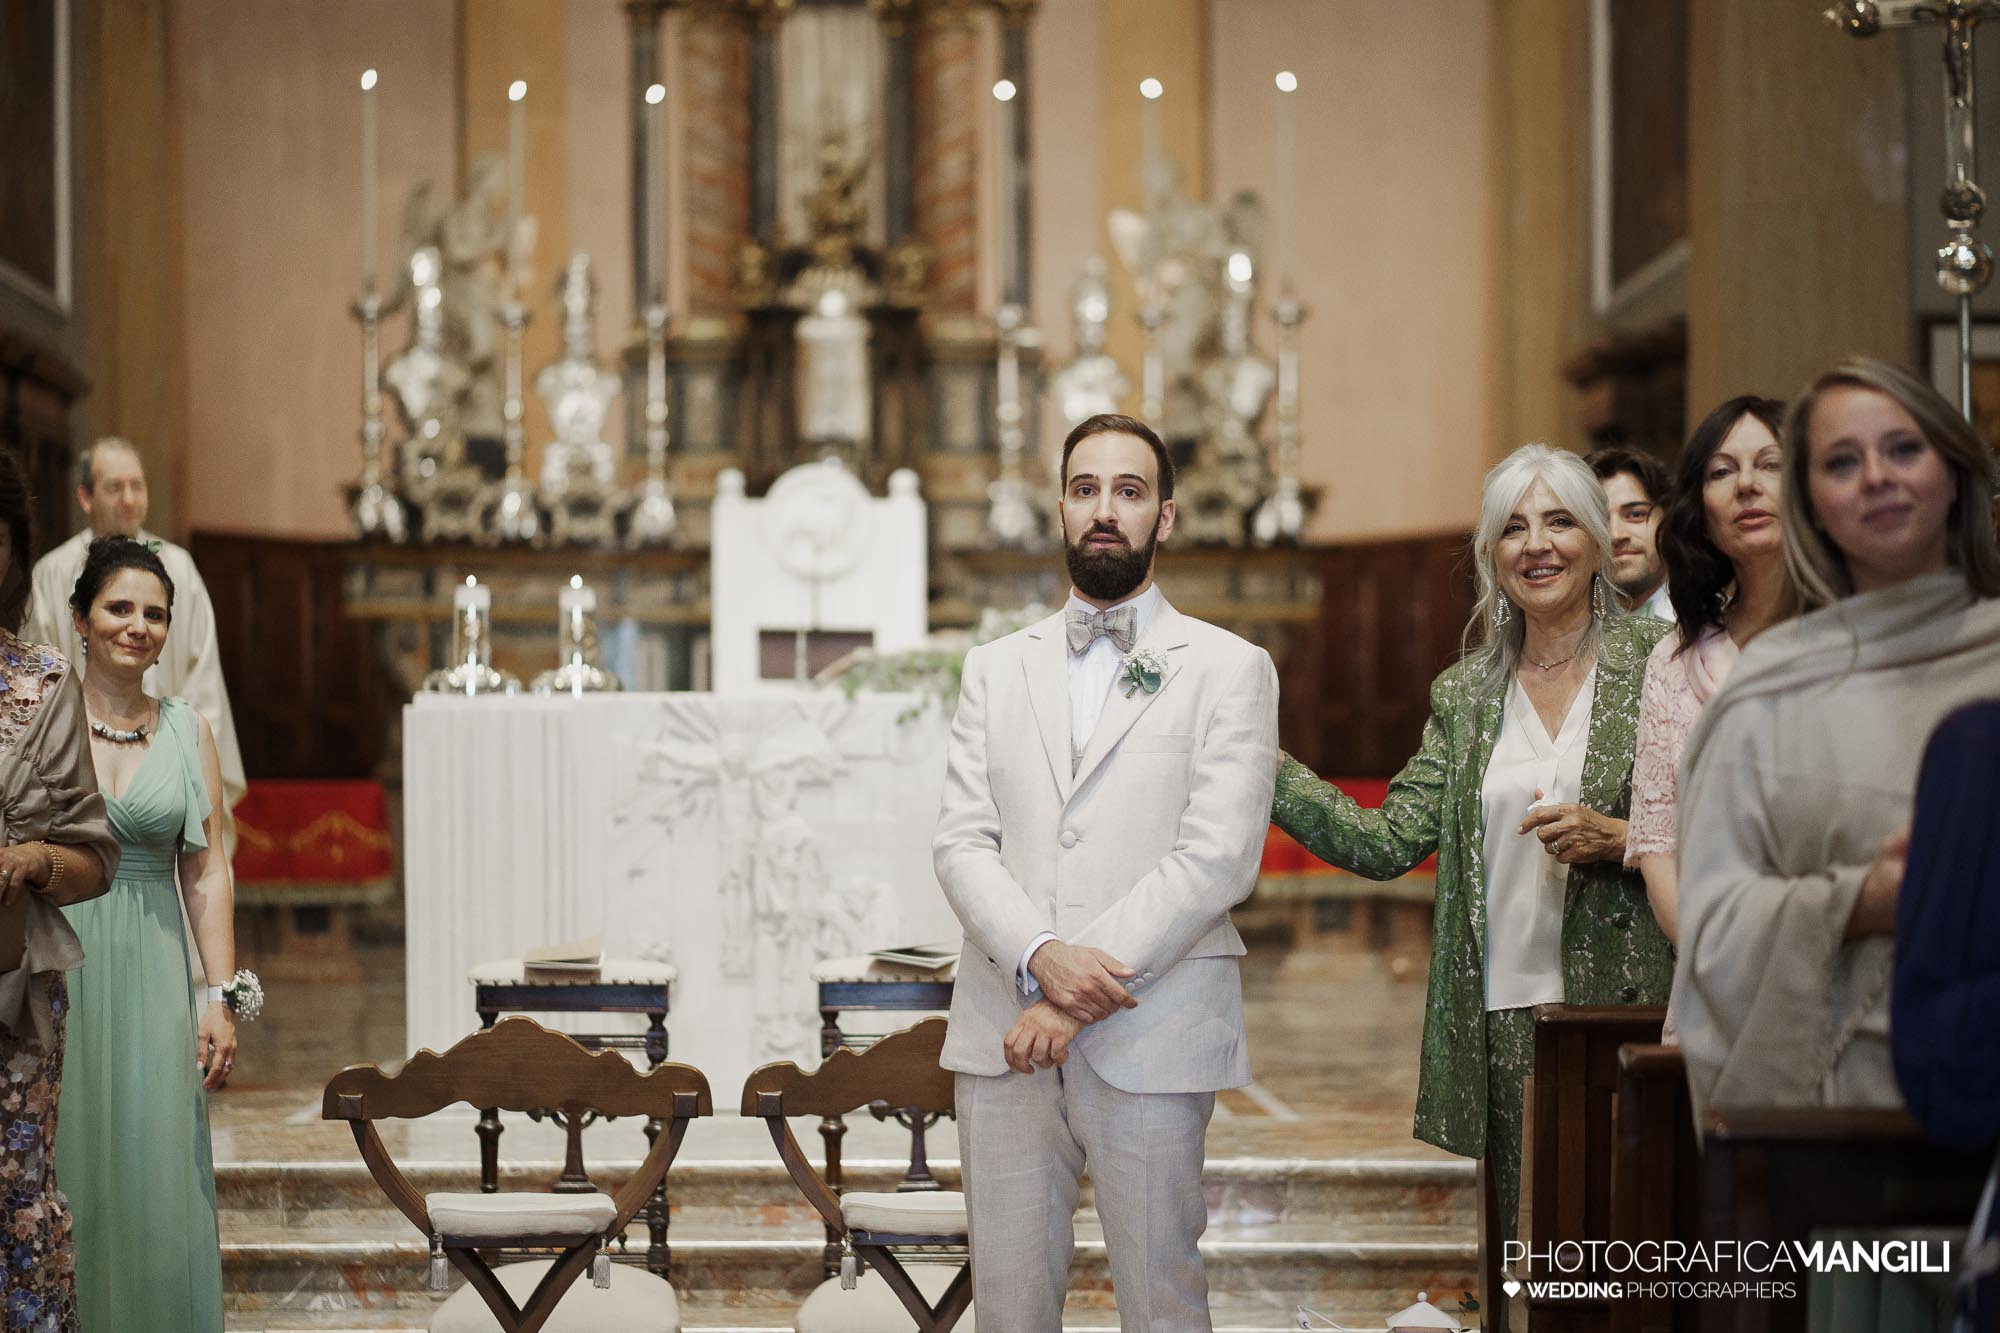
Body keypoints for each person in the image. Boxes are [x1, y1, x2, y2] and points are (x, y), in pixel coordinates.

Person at [1270, 443, 1673, 1304]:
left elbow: (1728, 823)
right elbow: (1388, 839)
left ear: (1597, 540)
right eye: (1513, 528)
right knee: (1530, 1268)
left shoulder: (1663, 660)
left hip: (1632, 1003)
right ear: (1492, 554)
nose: (1538, 544)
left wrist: (1621, 836)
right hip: (1507, 1017)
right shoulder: (1466, 694)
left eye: (1559, 521)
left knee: (1634, 1263)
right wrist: (1263, 769)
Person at [933, 413, 1278, 1330]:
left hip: (1153, 1027)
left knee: (1163, 1303)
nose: (1104, 510)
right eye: (1086, 489)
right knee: (1009, 1309)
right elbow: (961, 842)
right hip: (1004, 1035)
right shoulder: (993, 669)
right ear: (1059, 508)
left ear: (1166, 516)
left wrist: (1074, 992)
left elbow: (1217, 857)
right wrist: (1040, 954)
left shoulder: (1230, 668)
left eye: (1129, 491)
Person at [1674, 357, 2000, 1124]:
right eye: (1842, 462)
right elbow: (1711, 931)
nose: (1877, 477)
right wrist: (1856, 902)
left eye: (1904, 448)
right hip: (1837, 1117)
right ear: (1811, 505)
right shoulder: (1766, 692)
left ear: (1955, 476)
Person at [58, 535, 241, 1331]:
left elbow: (207, 871)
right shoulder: (40, 720)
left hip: (157, 970)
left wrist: (220, 994)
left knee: (156, 1161)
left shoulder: (187, 730)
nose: (138, 626)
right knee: (64, 1159)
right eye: (119, 607)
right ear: (80, 617)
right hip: (55, 963)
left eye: (155, 614)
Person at [0, 447, 119, 1333]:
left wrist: (33, 858)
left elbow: (94, 858)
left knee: (18, 1195)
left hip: (14, 987)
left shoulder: (42, 685)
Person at [1626, 397, 1793, 945]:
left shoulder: (1854, 634)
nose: (1746, 484)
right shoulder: (1675, 660)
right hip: (1712, 962)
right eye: (1721, 472)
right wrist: (1717, 959)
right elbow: (1658, 846)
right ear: (1700, 508)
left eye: (1770, 464)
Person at [24, 437, 246, 847]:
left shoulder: (179, 568)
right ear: (85, 497)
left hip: (168, 772)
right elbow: (39, 681)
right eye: (114, 487)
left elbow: (204, 683)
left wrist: (185, 766)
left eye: (137, 486)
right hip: (78, 765)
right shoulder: (53, 573)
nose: (129, 499)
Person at [1587, 444, 1674, 619]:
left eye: (1635, 514)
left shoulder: (1718, 621)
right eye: (1600, 520)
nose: (1615, 535)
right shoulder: (1570, 631)